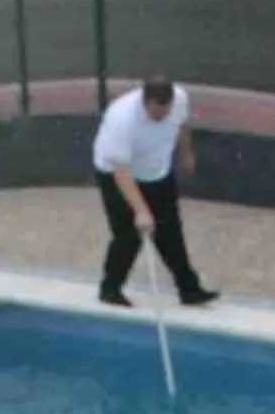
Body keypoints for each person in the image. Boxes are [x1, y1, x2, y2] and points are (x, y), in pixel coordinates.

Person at [92, 77, 218, 310]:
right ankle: (110, 289)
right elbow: (121, 171)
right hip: (117, 175)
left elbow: (182, 124)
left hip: (157, 171)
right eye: (156, 112)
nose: (162, 116)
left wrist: (186, 152)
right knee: (128, 235)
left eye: (166, 110)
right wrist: (141, 211)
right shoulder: (121, 118)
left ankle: (189, 289)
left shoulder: (179, 99)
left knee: (170, 231)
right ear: (145, 101)